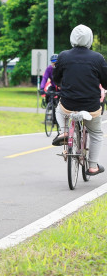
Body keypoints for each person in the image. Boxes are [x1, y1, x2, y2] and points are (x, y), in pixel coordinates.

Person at [52, 25, 107, 176]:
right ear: (90, 39)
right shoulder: (98, 58)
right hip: (91, 107)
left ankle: (64, 132)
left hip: (68, 104)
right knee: (96, 134)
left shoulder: (63, 56)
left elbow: (56, 78)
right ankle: (93, 166)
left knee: (59, 109)